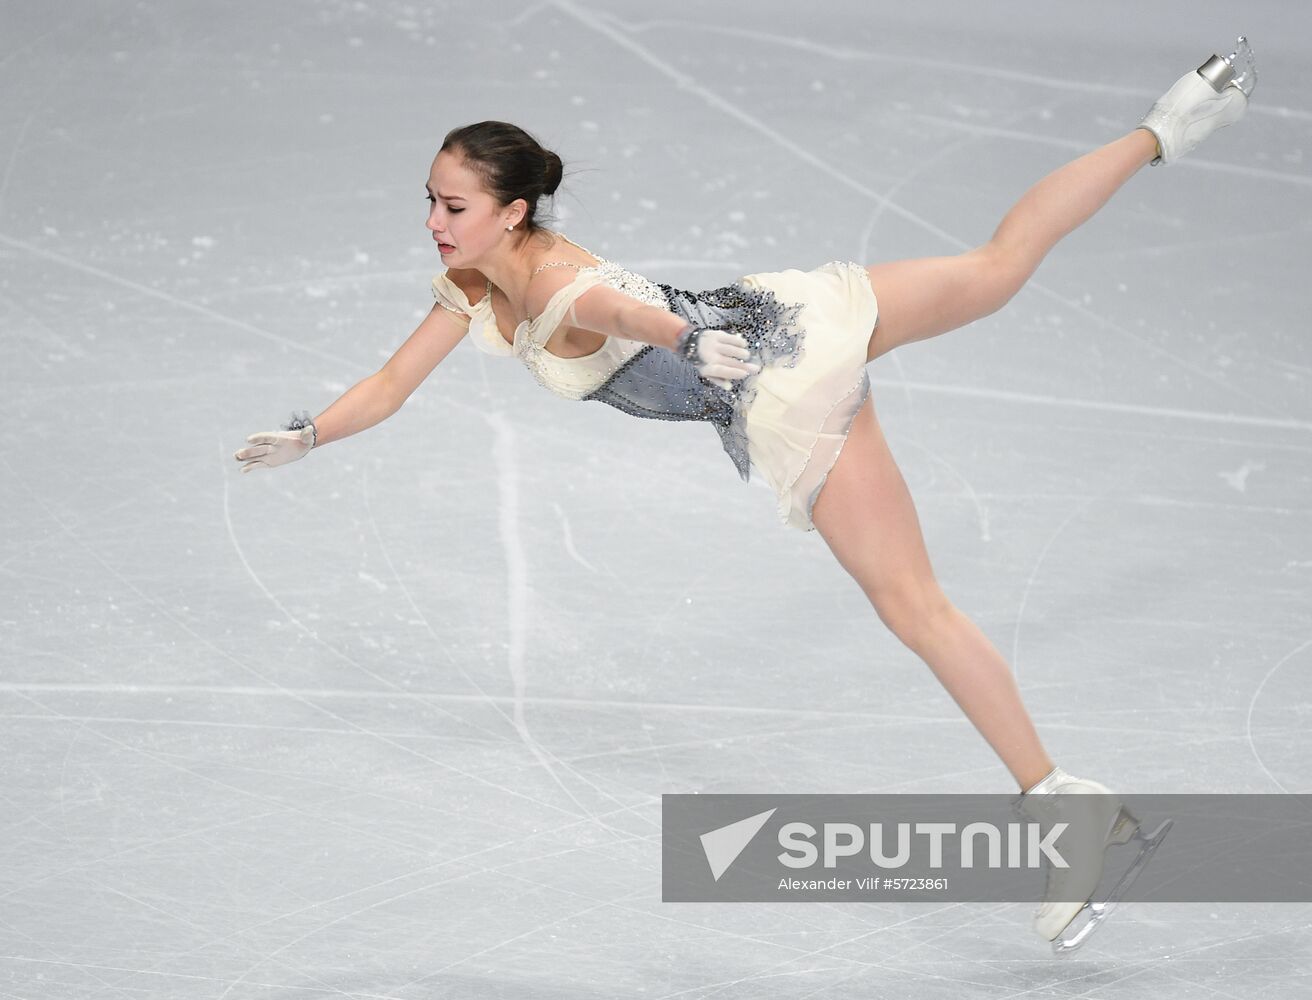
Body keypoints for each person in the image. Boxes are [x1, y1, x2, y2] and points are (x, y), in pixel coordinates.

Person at [234, 39, 1256, 952]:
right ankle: (1171, 122)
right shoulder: (470, 283)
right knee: (997, 267)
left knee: (916, 608)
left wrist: (682, 338)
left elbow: (613, 307)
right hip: (784, 310)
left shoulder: (544, 283)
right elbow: (392, 382)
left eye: (452, 206)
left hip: (779, 385)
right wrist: (312, 432)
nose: (432, 222)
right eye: (429, 198)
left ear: (510, 212)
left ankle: (1082, 822)